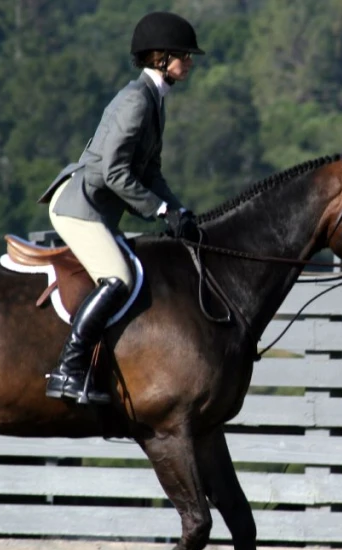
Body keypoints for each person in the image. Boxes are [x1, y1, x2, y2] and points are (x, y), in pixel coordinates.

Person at [37, 11, 204, 406]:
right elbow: (114, 172)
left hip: (98, 208)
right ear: (162, 57)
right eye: (185, 55)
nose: (192, 62)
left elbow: (151, 172)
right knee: (118, 278)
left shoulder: (154, 100)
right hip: (79, 207)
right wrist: (161, 211)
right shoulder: (136, 101)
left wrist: (179, 212)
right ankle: (69, 370)